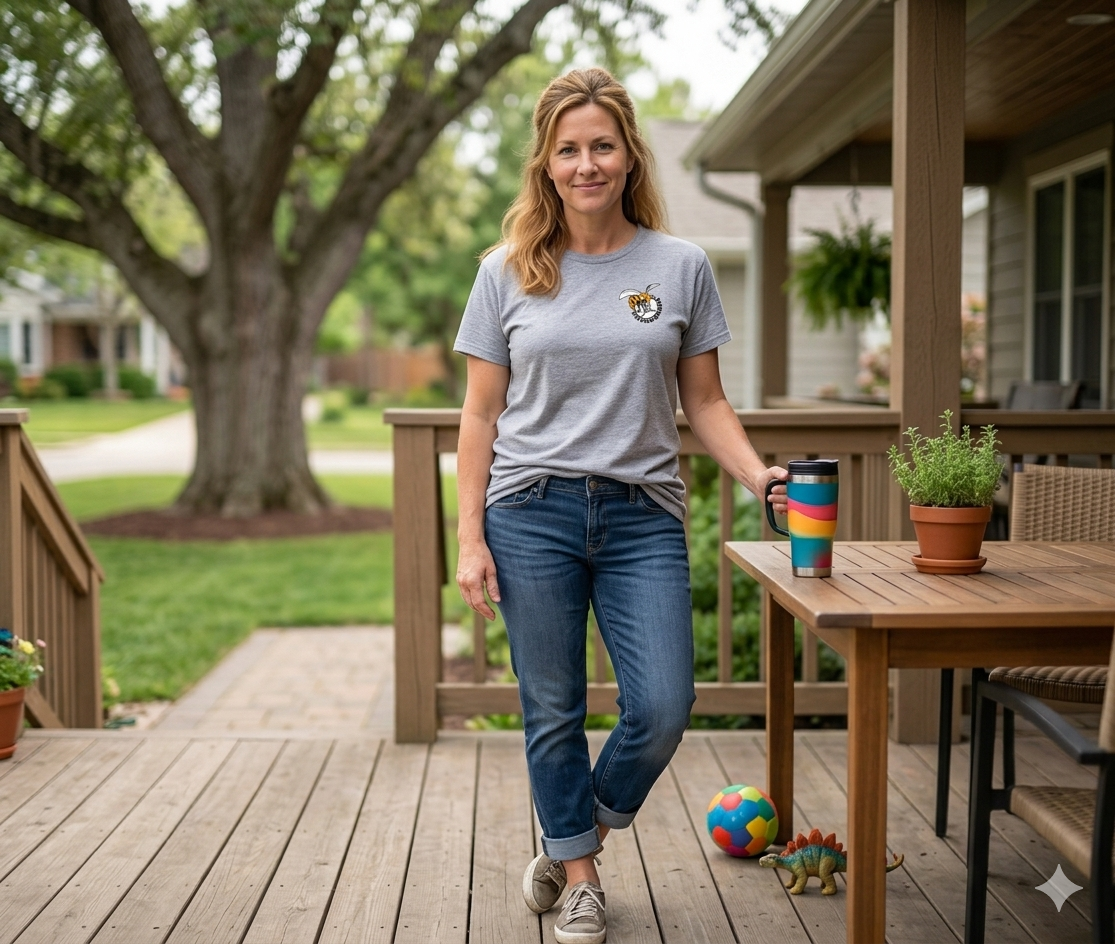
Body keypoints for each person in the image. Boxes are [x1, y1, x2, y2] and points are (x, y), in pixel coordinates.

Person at [454, 67, 788, 944]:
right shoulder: (505, 272)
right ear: (546, 163)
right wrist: (467, 538)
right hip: (529, 510)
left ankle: (574, 833)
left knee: (664, 705)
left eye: (601, 145)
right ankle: (582, 880)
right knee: (552, 706)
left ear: (628, 154)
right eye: (568, 149)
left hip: (643, 515)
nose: (586, 163)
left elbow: (705, 403)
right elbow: (479, 414)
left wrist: (760, 477)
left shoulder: (679, 267)